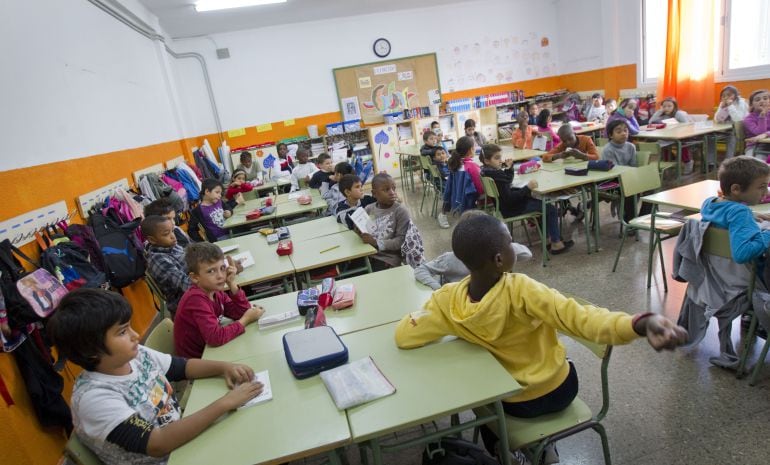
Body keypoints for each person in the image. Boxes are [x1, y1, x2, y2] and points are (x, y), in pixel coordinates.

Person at [394, 214, 688, 463]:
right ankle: (538, 449)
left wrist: (421, 318)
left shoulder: (447, 301)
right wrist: (638, 323)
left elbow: (405, 336)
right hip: (556, 391)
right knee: (559, 363)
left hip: (506, 402)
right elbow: (582, 318)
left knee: (483, 403)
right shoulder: (522, 289)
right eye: (510, 242)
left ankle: (507, 451)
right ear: (500, 260)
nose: (513, 246)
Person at [48, 288, 264, 465]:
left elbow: (181, 367)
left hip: (181, 438)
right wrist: (225, 403)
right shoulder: (94, 398)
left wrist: (224, 367)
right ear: (91, 349)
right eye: (122, 332)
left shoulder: (135, 356)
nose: (135, 336)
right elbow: (156, 443)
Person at [174, 243, 265, 359]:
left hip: (212, 352)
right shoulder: (196, 300)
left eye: (222, 268)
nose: (221, 276)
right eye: (211, 271)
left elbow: (241, 312)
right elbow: (215, 338)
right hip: (198, 361)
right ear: (195, 278)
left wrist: (231, 283)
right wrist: (245, 320)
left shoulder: (215, 291)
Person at [479, 144, 573, 254]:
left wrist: (509, 169)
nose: (500, 160)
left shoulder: (487, 172)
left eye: (500, 157)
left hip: (504, 208)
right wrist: (527, 188)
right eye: (497, 158)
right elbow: (509, 198)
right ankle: (556, 244)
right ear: (486, 160)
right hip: (511, 208)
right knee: (550, 209)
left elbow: (506, 181)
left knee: (541, 205)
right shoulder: (496, 175)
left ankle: (549, 239)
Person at [415, 211, 532, 290]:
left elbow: (527, 254)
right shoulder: (451, 258)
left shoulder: (496, 253)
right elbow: (421, 269)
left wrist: (504, 245)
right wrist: (438, 289)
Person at [701, 156, 770, 264]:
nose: (766, 193)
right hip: (743, 276)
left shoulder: (709, 203)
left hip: (715, 271)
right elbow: (742, 254)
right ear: (736, 189)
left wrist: (750, 214)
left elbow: (725, 216)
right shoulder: (740, 213)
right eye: (762, 187)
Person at [357, 173, 413, 271]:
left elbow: (401, 241)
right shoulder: (369, 209)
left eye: (393, 188)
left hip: (388, 259)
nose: (392, 192)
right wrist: (358, 230)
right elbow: (364, 234)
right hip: (368, 254)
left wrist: (376, 242)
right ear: (374, 193)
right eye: (386, 189)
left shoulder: (400, 211)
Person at [601, 119, 651, 224]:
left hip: (629, 178)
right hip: (613, 183)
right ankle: (630, 221)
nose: (623, 133)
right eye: (619, 131)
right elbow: (613, 171)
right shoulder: (608, 149)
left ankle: (642, 217)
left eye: (625, 130)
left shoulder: (631, 146)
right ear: (611, 135)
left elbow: (633, 166)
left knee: (651, 186)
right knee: (631, 190)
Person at [142, 215, 190, 316]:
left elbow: (192, 259)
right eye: (166, 234)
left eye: (172, 231)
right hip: (185, 303)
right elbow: (186, 285)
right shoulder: (158, 260)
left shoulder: (172, 246)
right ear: (152, 240)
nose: (173, 236)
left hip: (195, 289)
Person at [649, 96, 693, 172]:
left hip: (680, 137)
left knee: (681, 145)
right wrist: (659, 111)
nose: (666, 108)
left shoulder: (678, 114)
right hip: (666, 137)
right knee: (662, 145)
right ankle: (668, 163)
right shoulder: (661, 114)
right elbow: (650, 122)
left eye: (669, 106)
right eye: (664, 106)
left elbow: (687, 125)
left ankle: (688, 162)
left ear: (674, 106)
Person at [714, 85, 749, 159]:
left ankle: (729, 159)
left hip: (740, 129)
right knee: (709, 137)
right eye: (723, 96)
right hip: (725, 130)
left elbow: (738, 119)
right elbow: (717, 120)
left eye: (729, 95)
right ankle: (710, 163)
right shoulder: (722, 103)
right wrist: (722, 108)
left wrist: (730, 106)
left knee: (732, 135)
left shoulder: (741, 102)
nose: (726, 97)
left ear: (736, 95)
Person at [744, 89, 770, 158]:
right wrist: (762, 117)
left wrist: (765, 134)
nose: (762, 101)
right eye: (757, 100)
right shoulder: (748, 119)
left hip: (768, 144)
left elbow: (763, 134)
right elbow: (759, 133)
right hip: (754, 145)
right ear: (751, 105)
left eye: (765, 98)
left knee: (761, 159)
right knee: (750, 160)